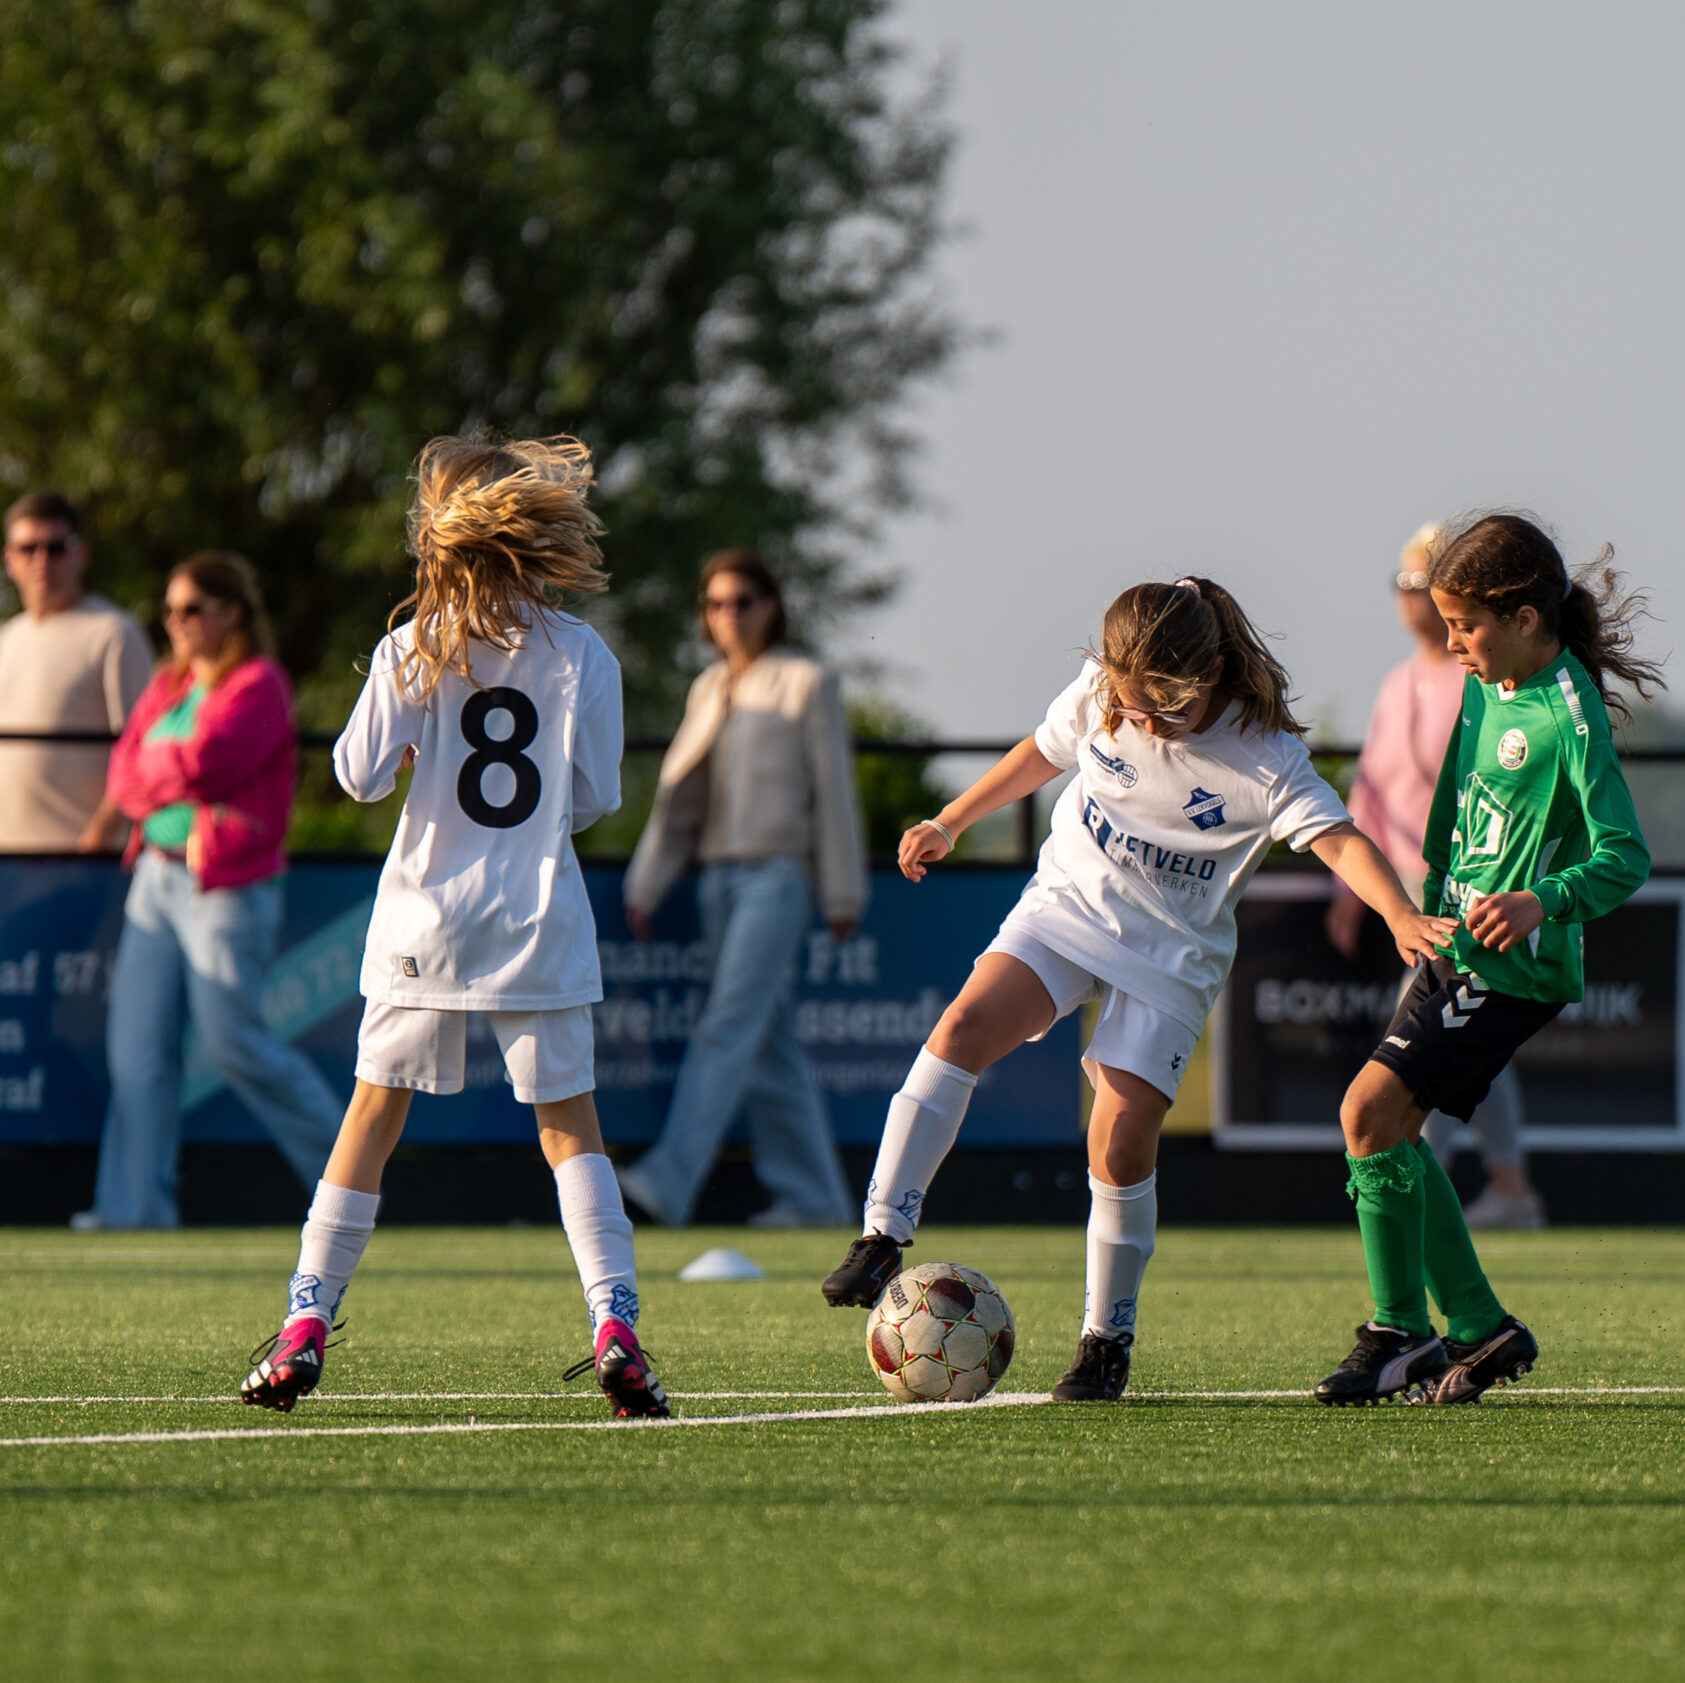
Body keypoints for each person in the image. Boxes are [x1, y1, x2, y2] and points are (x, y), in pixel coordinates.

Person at [817, 577, 1449, 1403]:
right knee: (963, 1025)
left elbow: (1340, 839)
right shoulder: (1101, 690)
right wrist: (951, 819)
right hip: (1068, 907)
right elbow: (1041, 752)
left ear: (1211, 674)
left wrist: (1400, 912)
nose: (1144, 721)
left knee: (1116, 1142)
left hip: (1172, 956)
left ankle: (1104, 1340)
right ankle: (881, 1233)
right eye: (1130, 703)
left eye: (1165, 709)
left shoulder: (1264, 757)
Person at [240, 436, 664, 1420]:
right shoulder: (583, 652)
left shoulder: (410, 647)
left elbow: (355, 775)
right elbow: (594, 796)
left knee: (372, 1117)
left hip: (422, 921)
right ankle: (615, 1325)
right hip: (536, 917)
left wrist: (407, 752)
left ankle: (306, 1321)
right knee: (571, 1131)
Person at [1317, 513, 1658, 1407]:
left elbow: (1626, 855)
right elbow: (1454, 810)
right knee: (1385, 1127)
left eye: (1466, 625)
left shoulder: (1570, 712)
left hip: (1513, 963)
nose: (1453, 643)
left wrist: (1542, 898)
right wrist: (1426, 907)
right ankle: (1475, 1325)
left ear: (1525, 617)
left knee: (1366, 1112)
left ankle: (1400, 1331)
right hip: (1455, 942)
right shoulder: (1488, 684)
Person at [77, 554, 342, 1228]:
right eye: (170, 610)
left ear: (233, 613)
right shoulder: (168, 683)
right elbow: (123, 777)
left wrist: (158, 763)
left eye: (192, 608)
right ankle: (134, 1213)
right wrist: (162, 768)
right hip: (154, 877)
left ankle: (351, 1189)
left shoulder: (260, 683)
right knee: (136, 1053)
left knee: (234, 1043)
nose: (177, 622)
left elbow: (207, 763)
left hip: (225, 886)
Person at [619, 550, 868, 1228]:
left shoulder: (807, 681)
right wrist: (647, 884)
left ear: (771, 606)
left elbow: (834, 791)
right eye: (716, 604)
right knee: (767, 1041)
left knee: (728, 1024)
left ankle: (667, 1182)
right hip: (716, 879)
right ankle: (815, 1200)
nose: (729, 615)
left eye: (743, 601)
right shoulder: (708, 686)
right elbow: (680, 801)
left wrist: (843, 894)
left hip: (778, 876)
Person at [1328, 524, 1546, 1230]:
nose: (1407, 597)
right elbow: (1371, 787)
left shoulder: (1482, 675)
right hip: (1403, 888)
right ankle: (1507, 1185)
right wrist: (1350, 890)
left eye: (1419, 583)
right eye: (1400, 583)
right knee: (1451, 1045)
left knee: (1423, 1049)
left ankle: (1429, 1183)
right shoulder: (1398, 682)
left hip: (1464, 892)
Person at [0, 491, 152, 853]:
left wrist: (95, 843)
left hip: (84, 863)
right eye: (28, 548)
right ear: (9, 559)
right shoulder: (7, 638)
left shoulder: (114, 634)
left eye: (55, 548)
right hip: (10, 863)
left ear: (81, 553)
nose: (41, 560)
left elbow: (143, 752)